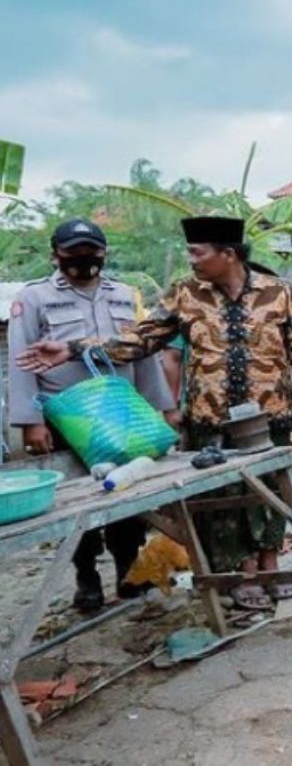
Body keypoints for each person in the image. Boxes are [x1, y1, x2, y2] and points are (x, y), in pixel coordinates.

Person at [18, 216, 292, 611]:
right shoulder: (184, 293)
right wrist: (77, 348)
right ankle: (240, 572)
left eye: (198, 253)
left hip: (273, 415)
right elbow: (141, 339)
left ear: (227, 254)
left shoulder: (279, 292)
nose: (191, 261)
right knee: (222, 502)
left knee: (268, 493)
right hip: (210, 419)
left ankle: (270, 563)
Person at [6, 219, 178, 611]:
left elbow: (143, 352)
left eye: (92, 250)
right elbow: (21, 362)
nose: (84, 259)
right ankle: (86, 577)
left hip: (122, 414)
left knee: (128, 491)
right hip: (68, 417)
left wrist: (164, 408)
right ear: (55, 255)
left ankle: (128, 570)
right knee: (74, 501)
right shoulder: (33, 297)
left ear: (104, 253)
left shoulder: (122, 294)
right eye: (73, 252)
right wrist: (30, 422)